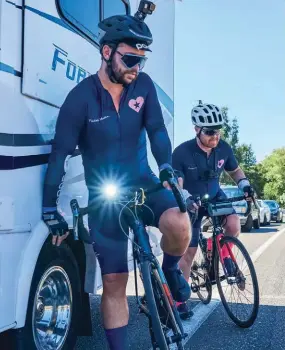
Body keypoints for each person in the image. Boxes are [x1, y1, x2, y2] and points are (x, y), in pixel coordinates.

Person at [42, 13, 191, 350]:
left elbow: (156, 130)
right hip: (104, 196)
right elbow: (60, 154)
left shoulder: (144, 86)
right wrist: (49, 206)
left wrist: (166, 166)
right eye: (130, 59)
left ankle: (170, 271)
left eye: (142, 60)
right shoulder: (79, 99)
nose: (136, 67)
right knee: (113, 281)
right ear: (107, 52)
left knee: (180, 222)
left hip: (143, 181)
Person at [172, 102, 254, 319]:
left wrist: (244, 185)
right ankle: (181, 300)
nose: (215, 136)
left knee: (234, 223)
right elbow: (177, 182)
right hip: (192, 201)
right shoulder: (182, 152)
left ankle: (219, 248)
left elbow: (235, 171)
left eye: (217, 130)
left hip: (215, 195)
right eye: (209, 132)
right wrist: (185, 198)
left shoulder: (224, 148)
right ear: (196, 129)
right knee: (187, 254)